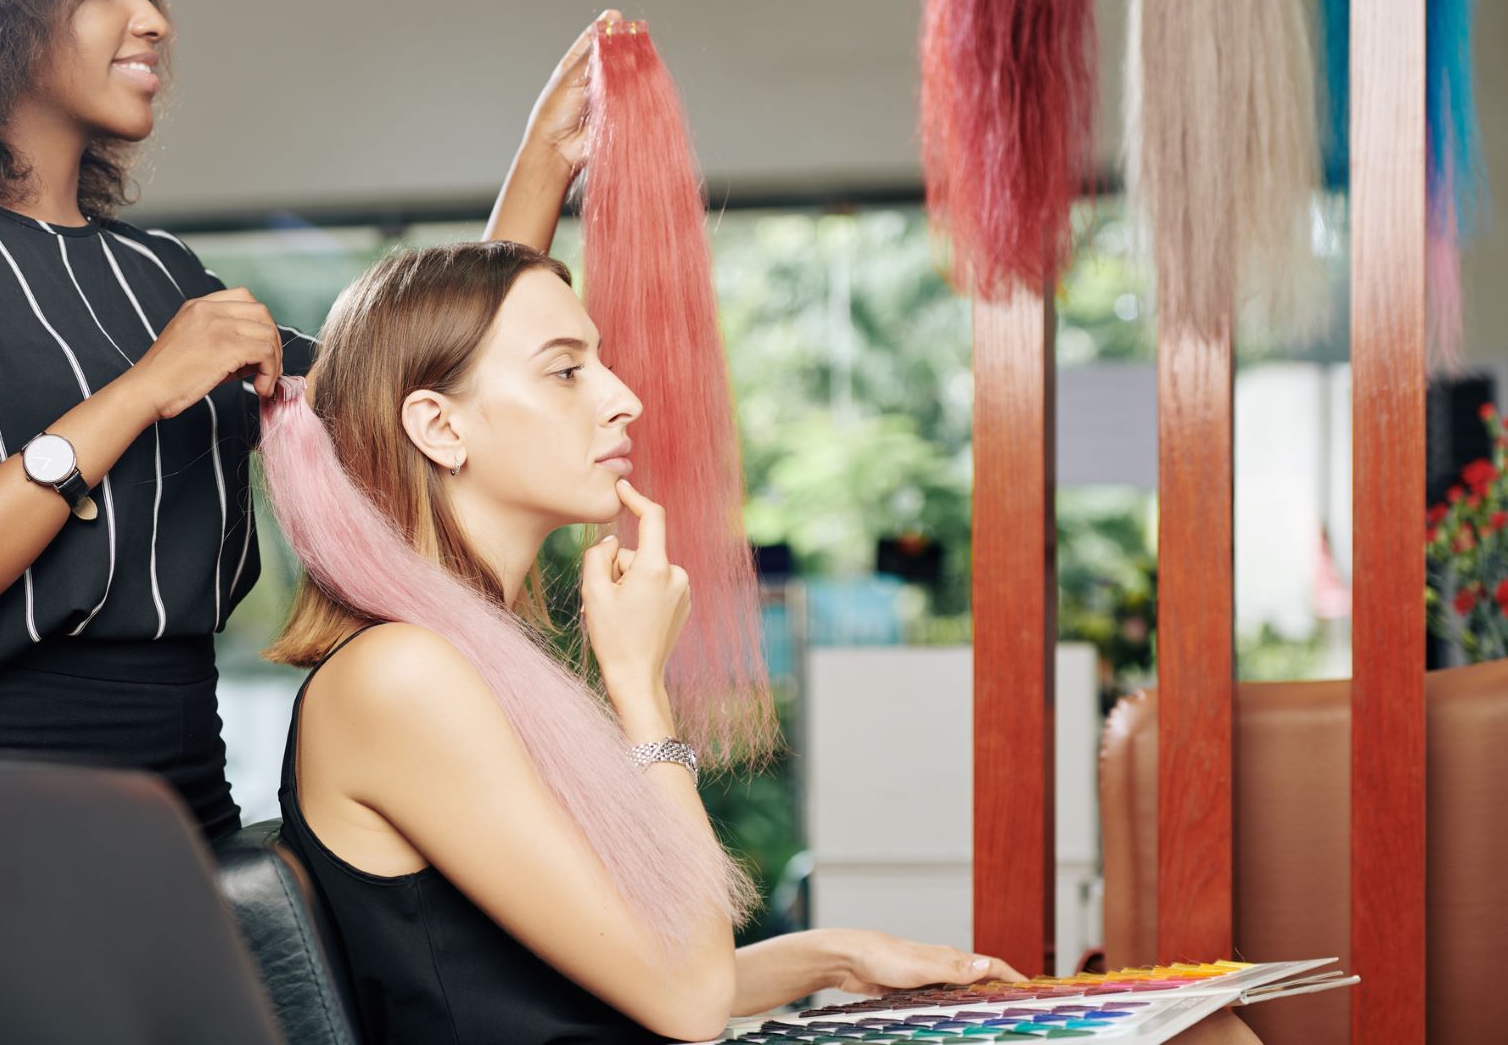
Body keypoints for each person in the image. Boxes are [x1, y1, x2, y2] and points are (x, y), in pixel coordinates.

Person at [0, 0, 602, 841]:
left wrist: (548, 158)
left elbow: (424, 385)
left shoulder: (162, 277)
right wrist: (138, 394)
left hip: (187, 818)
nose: (154, 16)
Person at [259, 242, 1270, 1043]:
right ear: (437, 427)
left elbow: (613, 978)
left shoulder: (464, 661)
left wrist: (830, 958)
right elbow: (689, 1002)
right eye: (567, 371)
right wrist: (638, 690)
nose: (623, 398)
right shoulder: (400, 678)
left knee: (1201, 1028)